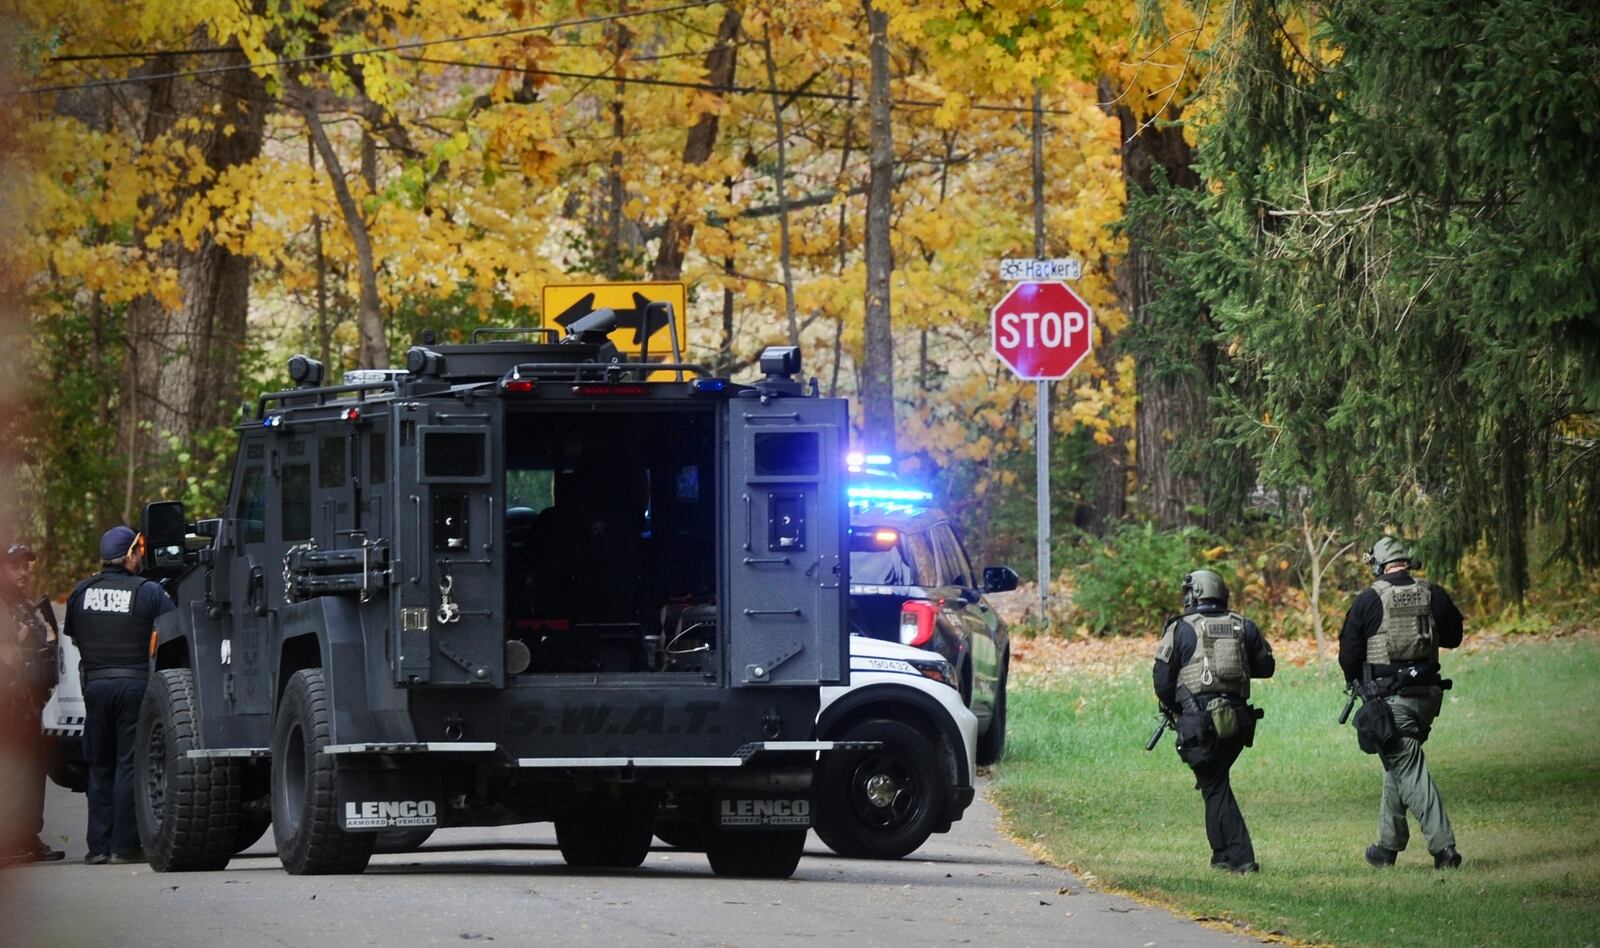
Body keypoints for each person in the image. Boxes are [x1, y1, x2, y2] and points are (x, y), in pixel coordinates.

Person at [1340, 536, 1464, 870]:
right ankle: (1386, 847)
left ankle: (1444, 848)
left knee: (1409, 768)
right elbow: (1454, 637)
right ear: (1406, 563)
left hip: (1390, 702)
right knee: (1398, 762)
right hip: (1427, 699)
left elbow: (1348, 656)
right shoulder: (1432, 593)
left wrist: (1360, 681)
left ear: (1378, 566)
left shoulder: (1368, 600)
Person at [64, 526, 174, 865]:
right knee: (129, 763)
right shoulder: (149, 593)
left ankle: (98, 846)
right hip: (135, 687)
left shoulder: (81, 592)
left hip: (96, 687)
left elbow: (76, 637)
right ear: (129, 555)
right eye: (138, 550)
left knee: (99, 764)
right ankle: (124, 847)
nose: (141, 556)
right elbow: (174, 632)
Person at [1153, 569, 1275, 873]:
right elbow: (1266, 666)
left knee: (1215, 783)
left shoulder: (1181, 629)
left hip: (1200, 724)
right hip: (1238, 723)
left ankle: (1242, 857)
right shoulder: (1243, 626)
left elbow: (1162, 679)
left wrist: (1176, 708)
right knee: (1213, 782)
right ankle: (1220, 855)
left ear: (1194, 593)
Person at [1, 543, 66, 863]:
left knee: (32, 773)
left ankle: (27, 835)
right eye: (14, 566)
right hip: (8, 704)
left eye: (26, 566)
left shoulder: (26, 607)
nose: (23, 572)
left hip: (33, 703)